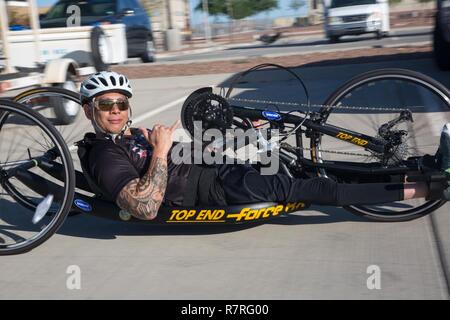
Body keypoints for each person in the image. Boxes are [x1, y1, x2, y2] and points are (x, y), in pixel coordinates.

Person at [78, 71, 450, 221]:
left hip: (216, 164)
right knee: (314, 186)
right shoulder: (102, 153)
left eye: (120, 103)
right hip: (218, 187)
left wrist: (238, 136)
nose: (115, 111)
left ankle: (423, 163)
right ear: (89, 110)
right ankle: (428, 186)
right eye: (106, 105)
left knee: (315, 165)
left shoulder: (124, 138)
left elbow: (177, 156)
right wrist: (160, 149)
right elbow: (143, 207)